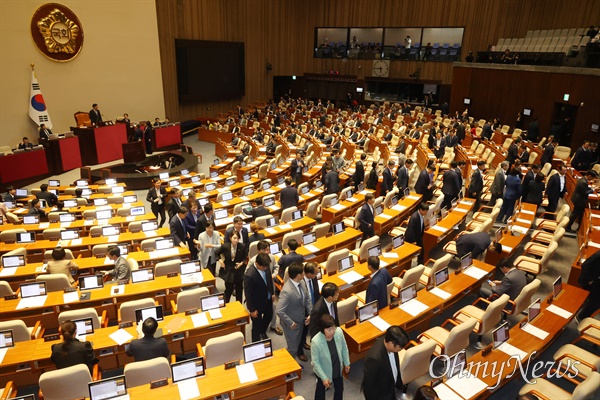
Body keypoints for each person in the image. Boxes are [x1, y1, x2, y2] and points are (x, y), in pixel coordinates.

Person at [361, 326, 409, 400]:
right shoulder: (374, 359)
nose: (401, 350)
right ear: (391, 343)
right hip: (381, 395)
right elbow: (368, 386)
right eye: (400, 347)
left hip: (390, 388)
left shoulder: (392, 342)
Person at [276, 263, 312, 361]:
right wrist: (291, 322)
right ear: (298, 275)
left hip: (301, 320)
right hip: (292, 325)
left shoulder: (302, 282)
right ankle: (289, 368)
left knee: (297, 344)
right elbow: (279, 310)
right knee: (293, 348)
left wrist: (310, 314)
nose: (304, 273)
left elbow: (307, 298)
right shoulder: (287, 291)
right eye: (303, 272)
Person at [311, 314, 351, 400]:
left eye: (334, 328)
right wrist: (324, 378)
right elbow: (316, 362)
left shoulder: (339, 331)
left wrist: (347, 362)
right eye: (329, 330)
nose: (332, 331)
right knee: (320, 392)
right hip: (324, 371)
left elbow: (344, 347)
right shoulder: (315, 341)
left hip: (337, 367)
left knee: (340, 389)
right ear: (322, 330)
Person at [244, 253, 276, 342]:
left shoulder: (266, 266)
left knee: (269, 316)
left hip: (268, 299)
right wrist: (252, 310)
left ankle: (263, 331)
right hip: (256, 304)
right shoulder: (249, 275)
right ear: (257, 264)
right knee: (256, 326)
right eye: (263, 267)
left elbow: (269, 281)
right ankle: (256, 343)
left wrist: (272, 293)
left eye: (266, 266)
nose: (265, 268)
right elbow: (248, 294)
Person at [215, 231, 247, 303]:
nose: (236, 240)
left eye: (237, 238)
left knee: (239, 290)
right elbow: (216, 253)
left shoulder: (242, 246)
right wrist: (220, 261)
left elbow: (245, 258)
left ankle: (239, 306)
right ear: (230, 238)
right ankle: (226, 305)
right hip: (229, 271)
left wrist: (241, 263)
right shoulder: (225, 246)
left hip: (238, 270)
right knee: (228, 290)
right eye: (234, 238)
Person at [577, 249, 600, 321]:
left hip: (597, 279)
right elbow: (585, 266)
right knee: (596, 301)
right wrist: (591, 280)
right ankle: (581, 317)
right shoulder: (598, 255)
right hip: (589, 281)